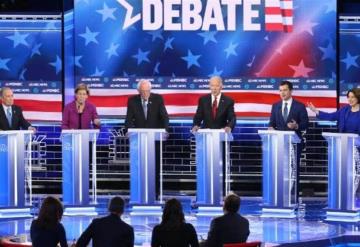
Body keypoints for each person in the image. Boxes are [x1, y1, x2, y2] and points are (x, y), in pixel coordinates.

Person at [125, 79, 169, 197]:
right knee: (138, 165)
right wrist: (128, 130)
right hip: (138, 139)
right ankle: (138, 192)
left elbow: (164, 116)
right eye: (143, 91)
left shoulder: (158, 99)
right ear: (138, 91)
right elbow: (128, 119)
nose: (145, 94)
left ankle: (155, 192)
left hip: (155, 139)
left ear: (150, 90)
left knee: (155, 165)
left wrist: (165, 130)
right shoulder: (132, 100)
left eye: (147, 91)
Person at [269, 80, 309, 200]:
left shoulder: (300, 106)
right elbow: (271, 123)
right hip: (279, 144)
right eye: (280, 90)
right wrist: (270, 128)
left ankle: (294, 196)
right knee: (279, 169)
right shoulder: (275, 106)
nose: (282, 93)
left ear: (291, 91)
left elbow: (306, 124)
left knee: (293, 170)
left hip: (294, 144)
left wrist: (296, 126)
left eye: (285, 90)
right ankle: (279, 195)